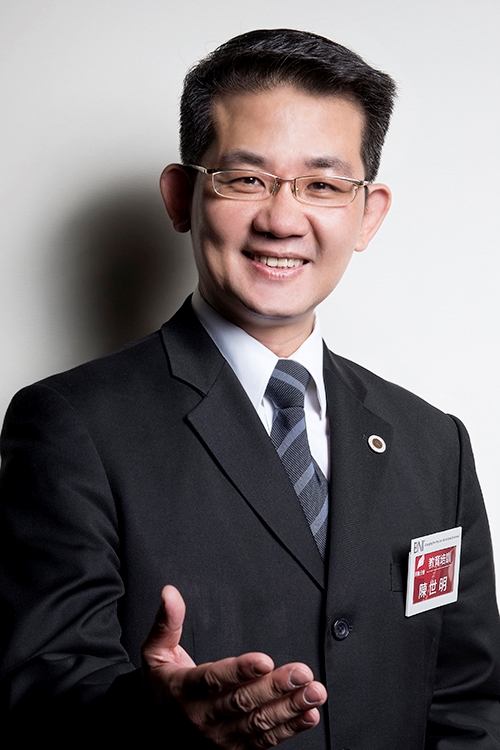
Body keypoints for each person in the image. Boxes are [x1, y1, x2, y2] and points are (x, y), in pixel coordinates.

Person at [1, 28, 500, 750]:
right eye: (245, 179)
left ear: (368, 213)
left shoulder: (434, 443)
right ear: (181, 197)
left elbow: (471, 702)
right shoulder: (71, 426)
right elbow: (40, 697)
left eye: (323, 185)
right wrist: (154, 719)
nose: (282, 220)